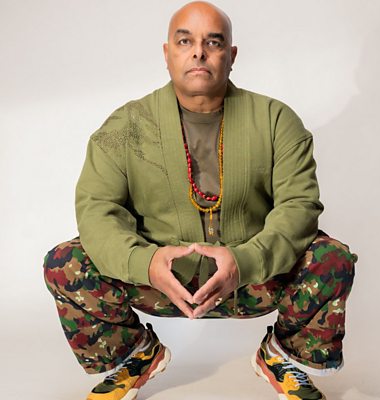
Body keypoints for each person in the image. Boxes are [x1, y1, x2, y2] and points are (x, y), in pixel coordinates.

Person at [43, 2, 357, 399]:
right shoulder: (124, 127)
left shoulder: (277, 120)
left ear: (231, 55)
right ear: (167, 53)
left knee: (332, 258)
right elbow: (96, 212)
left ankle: (284, 357)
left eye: (213, 42)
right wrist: (146, 263)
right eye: (185, 41)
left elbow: (299, 207)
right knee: (65, 263)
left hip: (253, 279)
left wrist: (244, 262)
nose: (198, 52)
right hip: (159, 281)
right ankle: (135, 356)